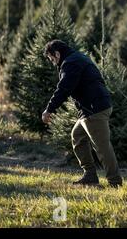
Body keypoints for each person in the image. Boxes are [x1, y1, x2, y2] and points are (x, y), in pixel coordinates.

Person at [42, 39, 122, 187]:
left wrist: (49, 109)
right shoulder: (78, 57)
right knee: (77, 135)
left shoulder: (70, 63)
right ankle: (90, 175)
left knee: (102, 147)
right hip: (93, 107)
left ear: (57, 54)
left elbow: (64, 88)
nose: (53, 63)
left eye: (52, 59)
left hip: (94, 109)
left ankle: (115, 182)